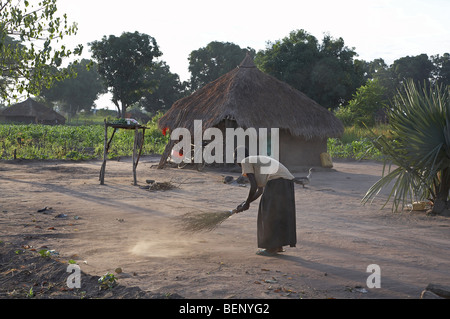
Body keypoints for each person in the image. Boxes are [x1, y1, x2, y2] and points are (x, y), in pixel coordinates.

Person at [234, 148, 297, 256]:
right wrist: (246, 202)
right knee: (279, 214)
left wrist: (247, 203)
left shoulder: (245, 161)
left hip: (276, 182)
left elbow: (253, 186)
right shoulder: (255, 162)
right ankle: (278, 245)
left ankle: (271, 248)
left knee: (267, 214)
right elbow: (260, 190)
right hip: (287, 182)